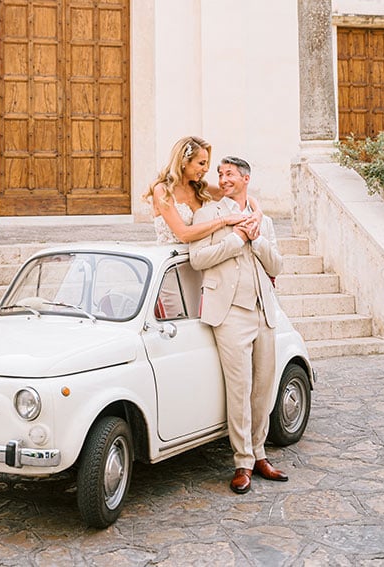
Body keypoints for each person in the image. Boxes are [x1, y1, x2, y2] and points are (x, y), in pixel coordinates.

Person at [189, 156, 286, 494]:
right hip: (229, 313)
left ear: (246, 178)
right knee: (240, 389)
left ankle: (260, 454)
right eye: (220, 174)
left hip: (264, 312)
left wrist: (256, 239)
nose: (223, 178)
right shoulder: (208, 215)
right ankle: (242, 461)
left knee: (263, 388)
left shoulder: (265, 221)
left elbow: (278, 264)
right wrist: (237, 240)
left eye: (229, 174)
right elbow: (198, 259)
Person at [143, 136, 262, 245]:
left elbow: (239, 194)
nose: (206, 169)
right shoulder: (162, 190)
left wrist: (257, 212)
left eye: (206, 163)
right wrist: (224, 221)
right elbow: (183, 235)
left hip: (200, 257)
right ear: (184, 162)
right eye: (201, 163)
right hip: (172, 260)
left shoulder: (199, 187)